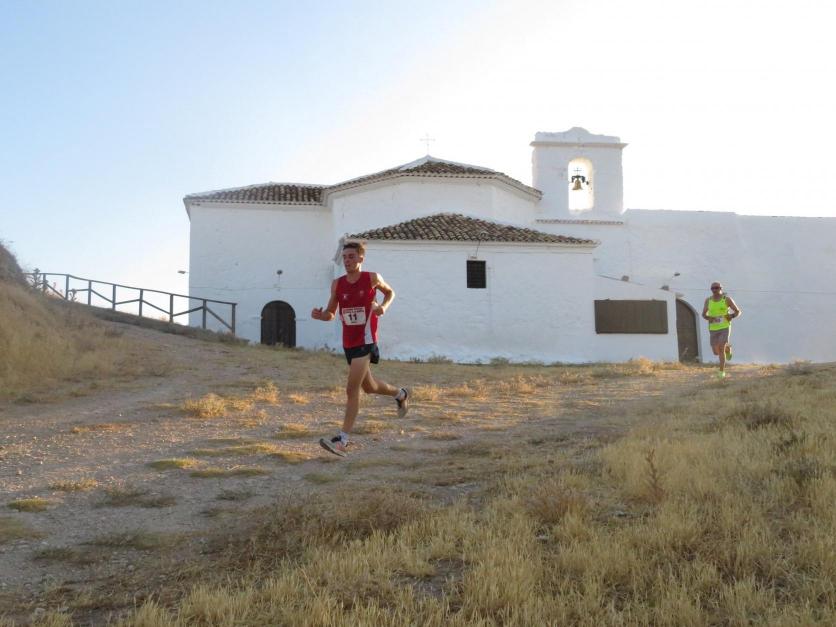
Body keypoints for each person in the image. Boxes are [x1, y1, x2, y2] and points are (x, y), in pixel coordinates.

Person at [311, 242, 409, 456]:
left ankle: (342, 440)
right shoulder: (337, 284)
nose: (347, 260)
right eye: (345, 257)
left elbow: (390, 292)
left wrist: (382, 307)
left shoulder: (372, 278)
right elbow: (331, 313)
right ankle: (400, 394)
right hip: (349, 342)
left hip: (366, 339)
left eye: (352, 256)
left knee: (351, 389)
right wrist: (320, 315)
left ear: (361, 258)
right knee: (370, 387)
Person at [701, 282, 741, 378]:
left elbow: (738, 311)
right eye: (712, 288)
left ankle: (721, 372)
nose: (714, 290)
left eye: (716, 288)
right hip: (713, 328)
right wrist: (708, 318)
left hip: (724, 327)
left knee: (720, 348)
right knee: (715, 352)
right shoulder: (708, 300)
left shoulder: (726, 299)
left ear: (721, 288)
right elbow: (703, 314)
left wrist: (731, 316)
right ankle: (728, 349)